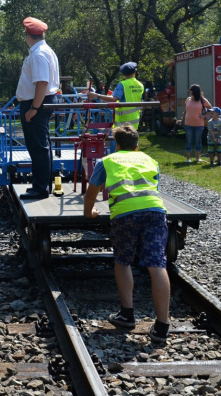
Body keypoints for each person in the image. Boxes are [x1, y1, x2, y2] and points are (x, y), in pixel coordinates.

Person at [83, 124, 170, 343]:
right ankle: (161, 326)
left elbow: (91, 192)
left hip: (125, 214)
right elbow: (153, 187)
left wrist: (89, 213)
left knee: (123, 261)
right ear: (137, 145)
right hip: (155, 211)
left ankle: (127, 314)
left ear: (117, 145)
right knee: (157, 264)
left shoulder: (107, 161)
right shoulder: (150, 160)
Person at [16, 16, 61, 199]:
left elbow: (42, 83)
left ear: (28, 35)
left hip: (37, 103)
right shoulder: (44, 51)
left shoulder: (39, 54)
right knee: (42, 147)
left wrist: (34, 108)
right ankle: (41, 186)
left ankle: (40, 189)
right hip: (40, 102)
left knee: (38, 147)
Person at [88, 62, 145, 130]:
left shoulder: (123, 84)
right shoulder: (140, 85)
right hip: (135, 119)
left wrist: (97, 95)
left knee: (121, 140)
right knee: (132, 139)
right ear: (135, 72)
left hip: (123, 120)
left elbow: (114, 99)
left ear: (123, 74)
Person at [181, 84, 212, 163]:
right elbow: (186, 110)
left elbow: (210, 109)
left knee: (198, 141)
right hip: (188, 123)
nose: (189, 92)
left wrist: (204, 116)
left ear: (194, 91)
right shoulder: (188, 99)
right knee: (189, 141)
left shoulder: (202, 100)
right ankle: (188, 158)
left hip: (199, 124)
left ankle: (197, 158)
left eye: (190, 90)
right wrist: (183, 119)